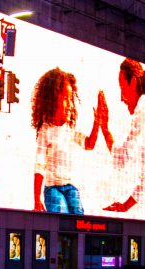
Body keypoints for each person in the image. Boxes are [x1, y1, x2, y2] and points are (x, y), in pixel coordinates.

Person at [95, 59, 145, 219]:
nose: (122, 98)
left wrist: (104, 127)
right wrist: (125, 206)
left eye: (122, 88)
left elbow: (122, 158)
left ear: (134, 82)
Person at [32, 68, 106, 214]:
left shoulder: (69, 130)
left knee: (78, 214)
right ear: (52, 100)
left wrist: (97, 123)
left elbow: (89, 144)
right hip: (53, 188)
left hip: (70, 187)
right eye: (66, 99)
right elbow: (39, 165)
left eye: (71, 99)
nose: (70, 106)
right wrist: (36, 199)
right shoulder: (45, 131)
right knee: (61, 212)